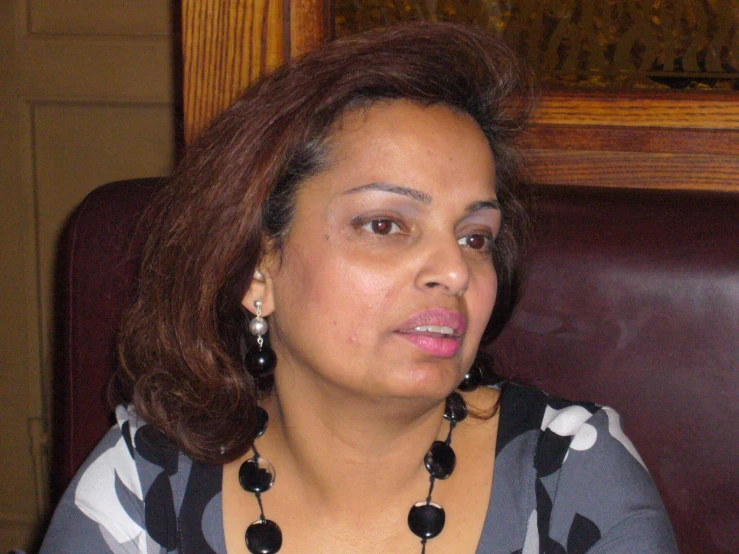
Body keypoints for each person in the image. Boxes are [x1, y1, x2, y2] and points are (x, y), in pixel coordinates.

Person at [40, 22, 677, 554]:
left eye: (475, 237)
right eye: (385, 224)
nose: (455, 270)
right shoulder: (145, 485)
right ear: (257, 269)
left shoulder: (570, 478)